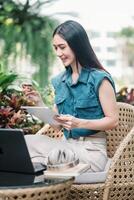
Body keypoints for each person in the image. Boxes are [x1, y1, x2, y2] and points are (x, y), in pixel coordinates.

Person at [49, 20, 118, 171]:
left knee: (53, 155)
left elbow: (113, 121)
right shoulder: (59, 81)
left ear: (77, 45)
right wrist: (37, 103)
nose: (58, 53)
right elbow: (56, 125)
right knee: (29, 142)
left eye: (62, 47)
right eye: (55, 48)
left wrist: (78, 123)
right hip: (65, 147)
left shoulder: (100, 79)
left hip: (91, 151)